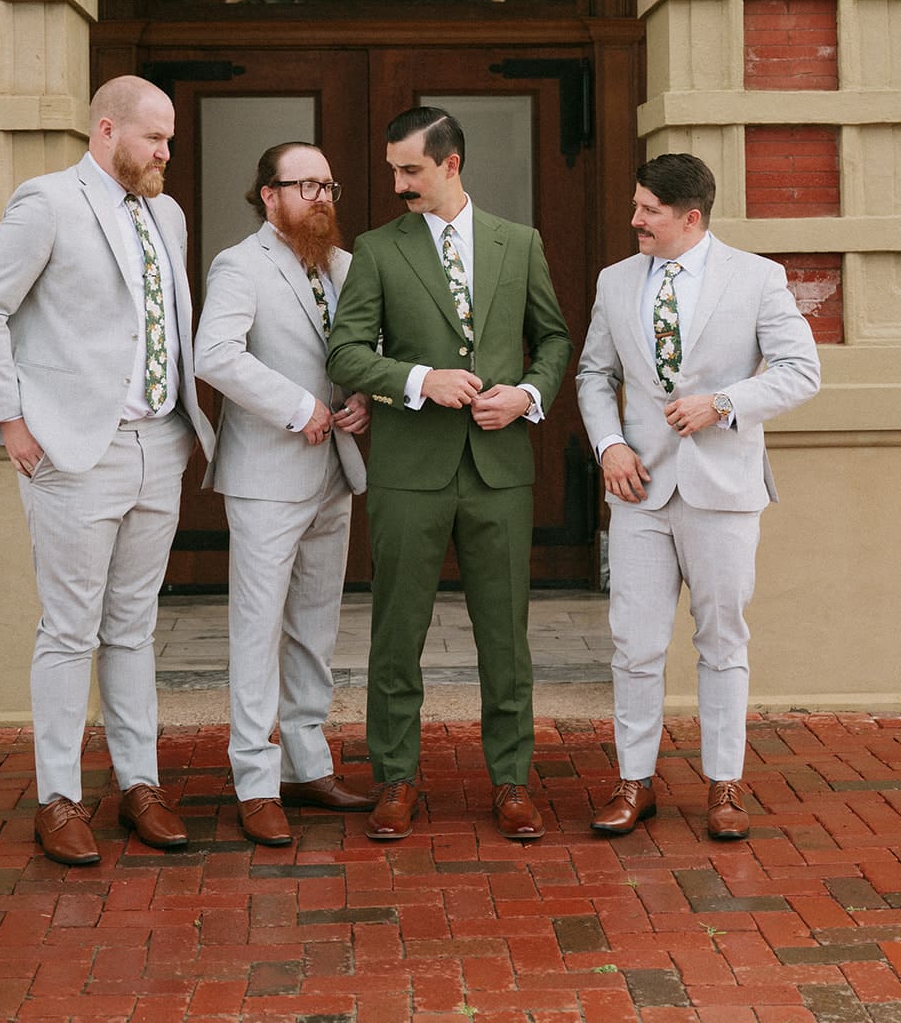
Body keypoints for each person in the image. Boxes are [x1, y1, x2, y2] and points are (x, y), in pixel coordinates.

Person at [0, 75, 215, 866]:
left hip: (159, 444)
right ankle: (59, 799)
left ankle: (141, 785)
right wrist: (10, 420)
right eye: (154, 139)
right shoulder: (48, 202)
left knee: (134, 628)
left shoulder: (164, 212)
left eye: (168, 139)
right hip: (75, 450)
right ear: (107, 130)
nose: (167, 152)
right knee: (70, 628)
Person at [326, 106, 572, 842]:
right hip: (409, 468)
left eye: (411, 171)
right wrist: (417, 378)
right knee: (395, 633)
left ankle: (511, 783)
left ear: (451, 165)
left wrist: (527, 395)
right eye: (394, 170)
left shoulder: (517, 242)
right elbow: (344, 353)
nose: (398, 184)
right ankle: (395, 780)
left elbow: (552, 338)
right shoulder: (376, 248)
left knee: (505, 637)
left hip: (498, 470)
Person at [576, 152, 820, 840]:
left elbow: (802, 372)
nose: (634, 221)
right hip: (638, 490)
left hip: (723, 490)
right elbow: (594, 375)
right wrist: (608, 447)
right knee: (633, 642)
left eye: (647, 210)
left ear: (689, 217)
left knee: (720, 640)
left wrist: (724, 403)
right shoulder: (614, 280)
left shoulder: (757, 278)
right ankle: (633, 783)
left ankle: (723, 787)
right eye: (634, 206)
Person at [194, 143, 373, 845]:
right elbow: (216, 355)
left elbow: (356, 352)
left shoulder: (344, 266)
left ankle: (306, 763)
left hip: (335, 469)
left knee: (314, 627)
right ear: (268, 195)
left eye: (327, 184)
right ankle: (254, 779)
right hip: (268, 473)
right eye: (304, 185)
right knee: (258, 627)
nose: (320, 197)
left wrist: (361, 398)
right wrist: (299, 408)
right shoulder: (241, 264)